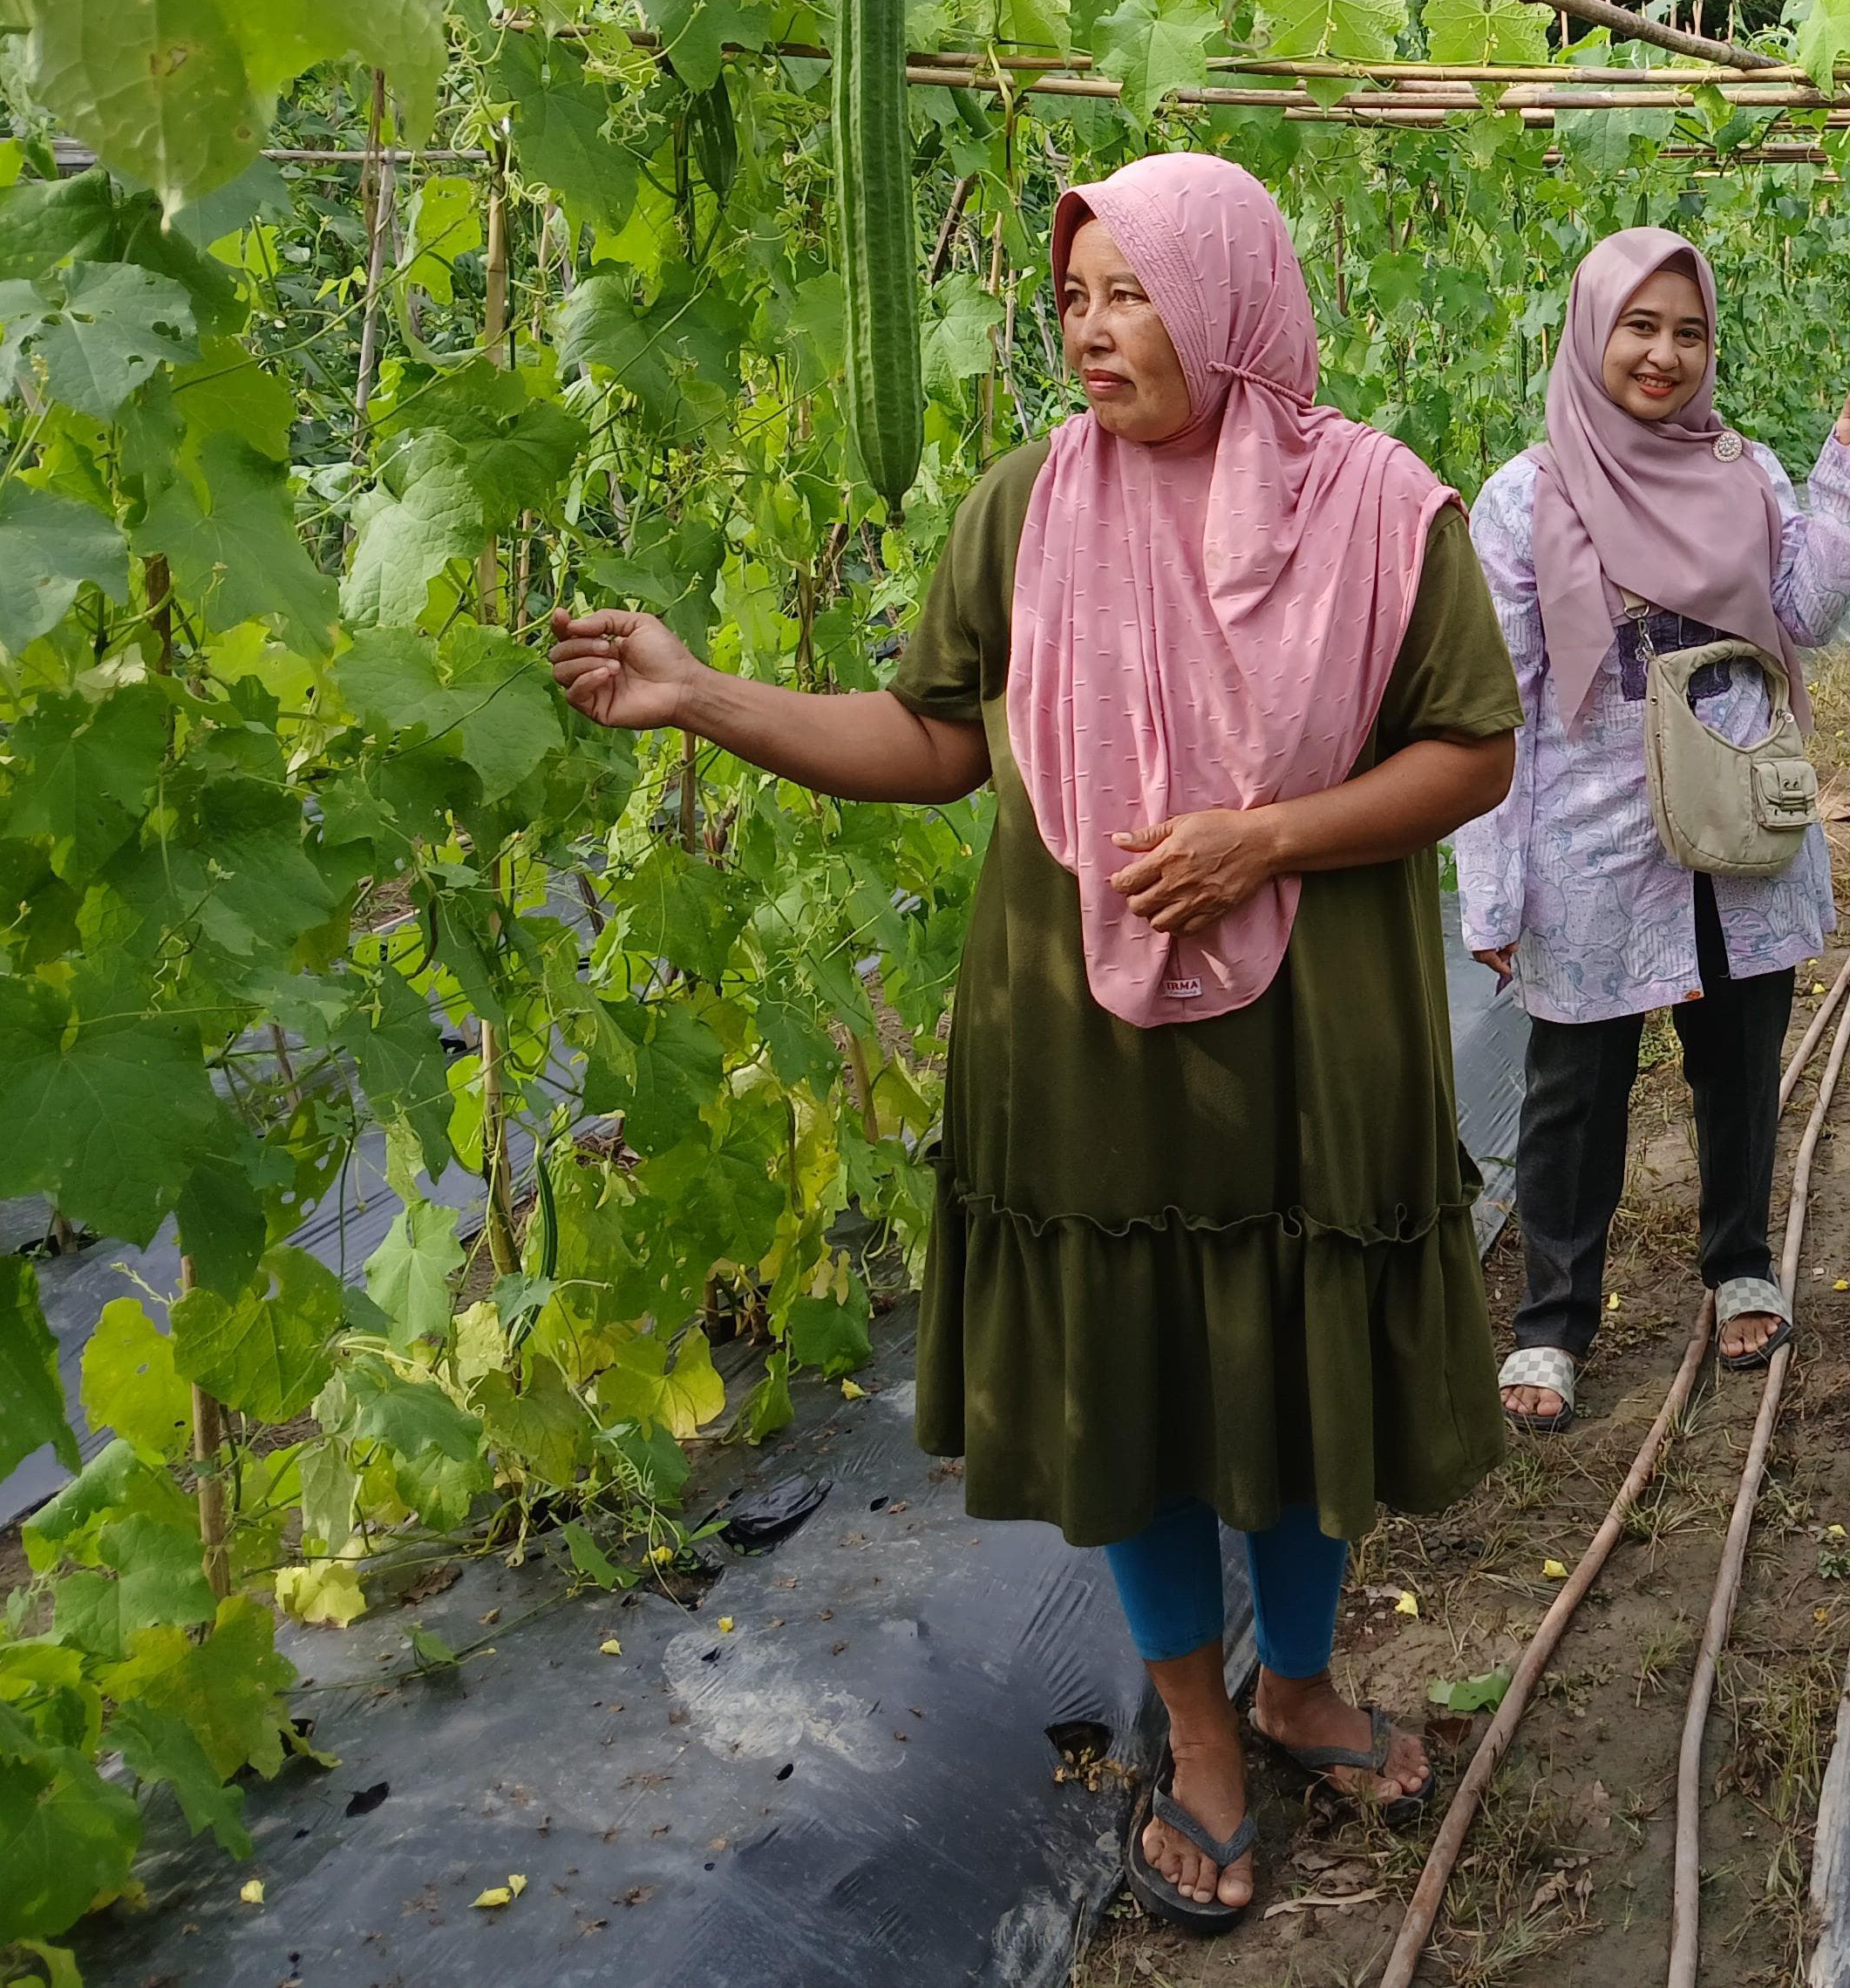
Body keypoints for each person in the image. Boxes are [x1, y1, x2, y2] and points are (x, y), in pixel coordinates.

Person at [551, 153, 1522, 1930]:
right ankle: (1201, 1729)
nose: (1090, 326)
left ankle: (1299, 1684)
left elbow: (1474, 751)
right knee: (1133, 1375)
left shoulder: (1383, 511)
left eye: (1131, 291)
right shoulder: (1026, 507)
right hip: (1082, 1044)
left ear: (1228, 298)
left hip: (1321, 1037)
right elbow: (934, 739)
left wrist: (1266, 838)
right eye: (1073, 295)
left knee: (1303, 1351)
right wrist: (701, 696)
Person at [1452, 225, 1850, 1433]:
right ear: (1591, 332)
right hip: (1590, 845)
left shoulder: (1746, 473)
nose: (1663, 354)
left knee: (1740, 1060)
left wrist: (1848, 473)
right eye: (1638, 326)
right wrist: (1492, 891)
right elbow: (1500, 707)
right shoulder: (1526, 497)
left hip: (1738, 811)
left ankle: (1740, 1260)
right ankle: (1553, 1321)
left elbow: (1806, 611)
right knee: (1573, 1090)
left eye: (1688, 332)